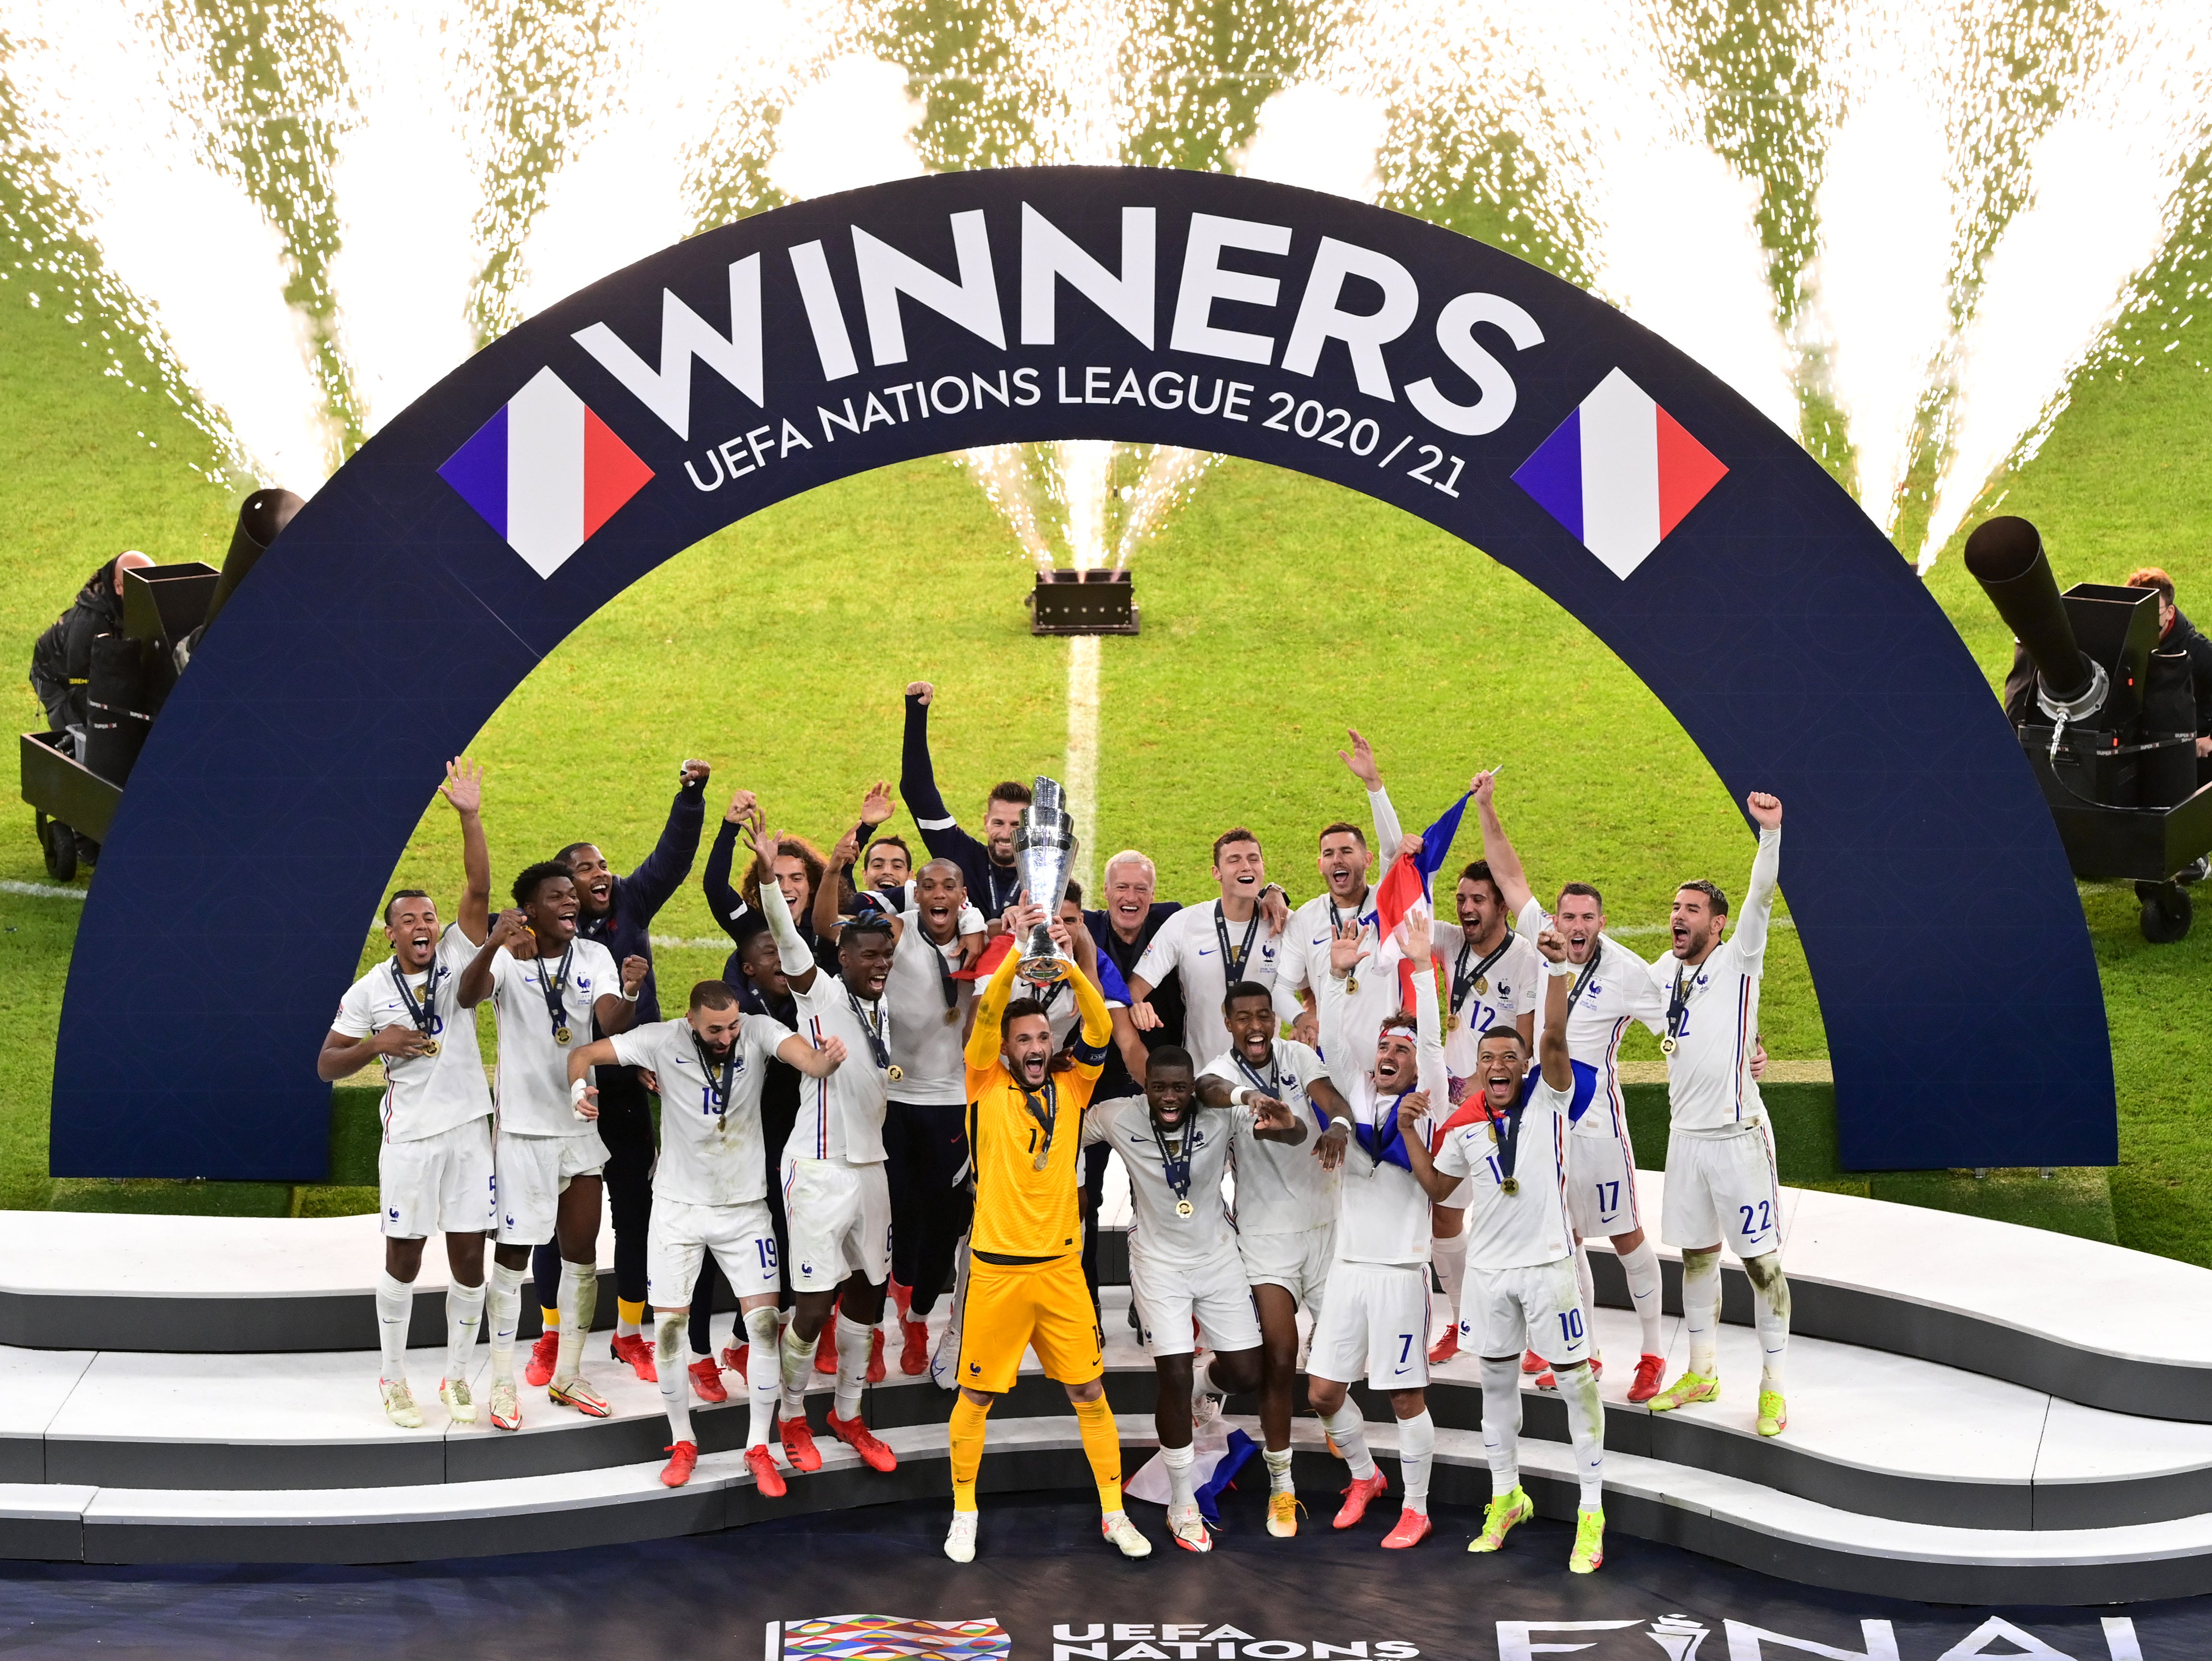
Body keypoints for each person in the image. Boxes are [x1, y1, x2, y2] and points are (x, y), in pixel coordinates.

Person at [566, 979, 844, 1492]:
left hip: (744, 1209)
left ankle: (757, 1445)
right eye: (716, 1027)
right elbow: (583, 1052)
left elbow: (806, 1058)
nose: (728, 1035)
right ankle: (683, 1440)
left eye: (733, 1024)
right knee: (669, 1332)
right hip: (677, 1208)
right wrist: (580, 1090)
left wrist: (826, 1061)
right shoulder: (658, 1039)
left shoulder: (757, 1032)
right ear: (690, 1019)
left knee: (762, 1326)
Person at [1400, 924, 1609, 1575]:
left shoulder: (1552, 1095)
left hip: (1548, 1267)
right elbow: (1437, 1186)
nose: (1496, 1066)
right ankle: (1505, 1496)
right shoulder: (1464, 1123)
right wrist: (1408, 1130)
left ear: (1523, 1067)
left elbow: (1551, 1038)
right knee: (1495, 1386)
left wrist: (1553, 971)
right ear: (1478, 1070)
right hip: (1489, 1274)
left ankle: (1591, 1510)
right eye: (1487, 1059)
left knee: (1576, 1388)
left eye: (1506, 1058)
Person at [942, 914, 1148, 1564]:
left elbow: (1095, 1028)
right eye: (1022, 1038)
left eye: (1040, 1036)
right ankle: (964, 1512)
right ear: (1006, 1048)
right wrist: (1015, 960)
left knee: (1090, 1393)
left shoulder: (1073, 1083)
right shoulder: (984, 1081)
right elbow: (983, 1018)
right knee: (974, 1397)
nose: (1034, 1045)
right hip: (997, 1273)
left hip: (1060, 1273)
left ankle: (1114, 1514)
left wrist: (1069, 970)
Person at [1474, 770, 1671, 1401]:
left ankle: (1651, 1351)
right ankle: (1581, 1348)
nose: (1575, 926)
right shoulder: (1545, 940)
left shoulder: (1630, 973)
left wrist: (1745, 1052)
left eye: (1587, 918)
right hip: (1546, 1120)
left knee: (1624, 1234)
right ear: (1555, 918)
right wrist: (1486, 806)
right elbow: (1509, 876)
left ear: (1602, 921)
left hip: (1597, 1128)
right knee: (1563, 1235)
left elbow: (1680, 1022)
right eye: (1568, 916)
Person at [317, 758, 495, 1429]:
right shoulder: (368, 991)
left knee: (470, 1257)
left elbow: (477, 888)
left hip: (469, 1131)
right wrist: (375, 1045)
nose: (423, 924)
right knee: (404, 1254)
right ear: (390, 932)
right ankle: (393, 1376)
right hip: (412, 1139)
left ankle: (454, 1376)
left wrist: (469, 815)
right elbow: (327, 1065)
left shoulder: (456, 952)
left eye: (428, 914)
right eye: (409, 919)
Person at [528, 760, 710, 1388]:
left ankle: (629, 1334)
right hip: (569, 1095)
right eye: (585, 868)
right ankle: (551, 1337)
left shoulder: (629, 901)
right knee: (559, 1221)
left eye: (602, 865)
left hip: (628, 1085)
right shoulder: (541, 939)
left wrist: (691, 797)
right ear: (560, 887)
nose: (600, 873)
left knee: (635, 1212)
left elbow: (671, 859)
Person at [1083, 1043, 1296, 1551]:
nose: (1170, 1097)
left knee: (1246, 1373)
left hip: (1218, 1255)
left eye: (1180, 1087)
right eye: (1160, 1087)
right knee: (1171, 1375)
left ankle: (1207, 1384)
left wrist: (1284, 1120)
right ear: (1145, 1087)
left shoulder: (1219, 1114)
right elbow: (1066, 1123)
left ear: (1193, 1086)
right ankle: (1183, 1503)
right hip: (1157, 1263)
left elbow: (1284, 1132)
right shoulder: (1118, 1116)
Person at [456, 863, 647, 1428]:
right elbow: (467, 996)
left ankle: (568, 1373)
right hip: (522, 1133)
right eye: (556, 896)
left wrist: (632, 990)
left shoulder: (593, 956)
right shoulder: (510, 959)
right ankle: (502, 1380)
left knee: (583, 1257)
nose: (571, 902)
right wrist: (492, 941)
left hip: (579, 1129)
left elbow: (610, 1021)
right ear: (530, 910)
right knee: (513, 1261)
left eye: (572, 895)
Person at [751, 812, 903, 1479]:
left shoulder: (882, 1006)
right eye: (868, 956)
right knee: (812, 1306)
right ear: (842, 957)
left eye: (885, 957)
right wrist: (772, 872)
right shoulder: (820, 995)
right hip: (815, 1170)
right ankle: (791, 1413)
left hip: (871, 1168)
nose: (879, 966)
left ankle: (846, 1411)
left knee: (870, 1293)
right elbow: (789, 935)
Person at [1646, 792, 1792, 1439]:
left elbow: (1761, 898)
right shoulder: (1663, 973)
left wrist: (1770, 834)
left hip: (1738, 1140)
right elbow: (1619, 984)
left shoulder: (1739, 961)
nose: (1677, 917)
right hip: (1686, 1142)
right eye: (1674, 908)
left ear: (1717, 922)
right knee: (1697, 1260)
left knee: (1761, 1265)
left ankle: (1773, 1386)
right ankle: (1701, 1371)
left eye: (1690, 910)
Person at [1307, 879, 1447, 1550]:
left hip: (1398, 1273)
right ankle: (1366, 1476)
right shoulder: (1358, 1100)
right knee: (1323, 1392)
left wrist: (1422, 966)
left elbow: (1439, 1052)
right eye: (1385, 1050)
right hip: (1347, 1270)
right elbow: (1334, 1042)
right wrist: (1337, 977)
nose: (1388, 1057)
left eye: (1402, 1051)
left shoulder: (1427, 1104)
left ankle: (1415, 1505)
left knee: (1403, 1398)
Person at [816, 827, 985, 1377]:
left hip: (952, 1102)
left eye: (950, 886)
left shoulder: (984, 936)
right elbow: (826, 930)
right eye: (928, 884)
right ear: (917, 891)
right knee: (886, 1215)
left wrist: (985, 927)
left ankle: (917, 1314)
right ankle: (873, 1330)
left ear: (963, 896)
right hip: (892, 1099)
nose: (938, 894)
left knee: (941, 1221)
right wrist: (834, 870)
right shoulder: (897, 929)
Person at [1194, 980, 1350, 1536]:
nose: (1257, 1025)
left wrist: (1336, 1125)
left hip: (1326, 1229)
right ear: (1228, 1020)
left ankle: (1333, 1410)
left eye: (1265, 1015)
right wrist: (1248, 1099)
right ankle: (1282, 1486)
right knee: (1280, 1356)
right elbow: (1208, 1087)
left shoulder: (1298, 1054)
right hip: (1265, 1237)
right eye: (1244, 1017)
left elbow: (1332, 1101)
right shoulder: (1220, 1070)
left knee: (1338, 1355)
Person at [1422, 856, 1538, 1364]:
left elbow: (1528, 1044)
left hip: (1500, 1111)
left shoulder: (1525, 959)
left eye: (1477, 900)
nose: (1466, 908)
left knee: (1513, 1221)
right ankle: (1462, 1317)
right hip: (1453, 1110)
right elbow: (1394, 904)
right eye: (1461, 898)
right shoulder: (1449, 943)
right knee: (1443, 1217)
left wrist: (1483, 1081)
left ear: (1500, 907)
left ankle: (1534, 1331)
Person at [683, 924, 805, 1397]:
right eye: (769, 952)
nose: (781, 960)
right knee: (709, 1257)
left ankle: (737, 1343)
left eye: (785, 952)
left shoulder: (801, 1005)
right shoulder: (724, 1021)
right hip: (723, 1153)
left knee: (783, 1250)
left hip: (778, 1147)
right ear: (747, 967)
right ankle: (697, 1357)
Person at [1274, 730, 1408, 1053]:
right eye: (1330, 854)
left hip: (1386, 1055)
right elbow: (1281, 987)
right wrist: (1301, 1019)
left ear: (1367, 859)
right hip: (1330, 1055)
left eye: (1347, 852)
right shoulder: (1305, 919)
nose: (1338, 859)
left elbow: (1394, 847)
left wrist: (1373, 784)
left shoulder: (1384, 902)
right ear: (1320, 864)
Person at [1129, 827, 1288, 1068]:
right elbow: (1135, 988)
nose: (1246, 866)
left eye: (1253, 859)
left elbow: (1311, 994)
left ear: (1263, 867)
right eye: (1234, 860)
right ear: (1217, 873)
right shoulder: (1184, 924)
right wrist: (1137, 1005)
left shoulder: (1283, 924)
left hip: (1267, 1076)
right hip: (1204, 1076)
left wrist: (1305, 1021)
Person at [900, 681, 1031, 924]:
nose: (1005, 834)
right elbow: (917, 791)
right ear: (986, 822)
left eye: (1016, 826)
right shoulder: (959, 853)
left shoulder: (1043, 876)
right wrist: (917, 713)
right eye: (999, 823)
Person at [702, 787, 839, 977]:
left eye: (796, 878)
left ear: (812, 885)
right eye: (777, 879)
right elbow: (715, 887)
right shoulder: (751, 926)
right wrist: (731, 825)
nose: (786, 888)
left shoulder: (825, 926)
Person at [28, 549, 152, 757]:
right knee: (86, 737)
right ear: (119, 587)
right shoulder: (90, 625)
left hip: (85, 666)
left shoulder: (132, 601)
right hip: (60, 678)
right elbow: (81, 683)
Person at [2123, 568, 2212, 768]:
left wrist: (2210, 740)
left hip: (2182, 753)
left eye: (2153, 611)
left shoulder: (2197, 650)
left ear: (2170, 613)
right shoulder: (2125, 642)